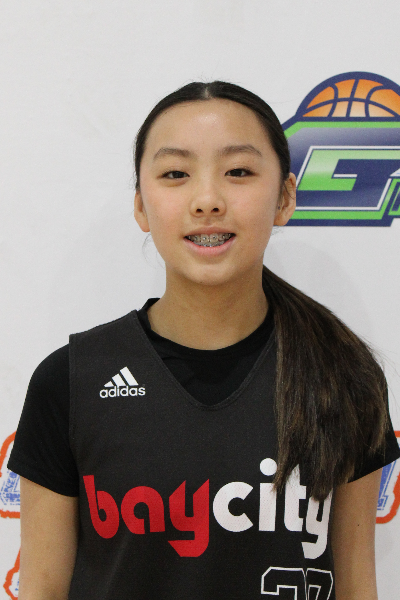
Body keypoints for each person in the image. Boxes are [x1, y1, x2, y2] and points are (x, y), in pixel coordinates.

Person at [9, 80, 400, 600]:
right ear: (141, 206)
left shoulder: (344, 376)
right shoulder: (71, 381)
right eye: (176, 174)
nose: (208, 200)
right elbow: (41, 588)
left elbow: (357, 588)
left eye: (238, 172)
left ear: (285, 198)